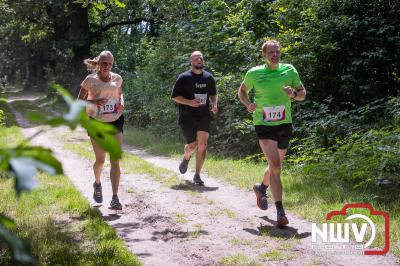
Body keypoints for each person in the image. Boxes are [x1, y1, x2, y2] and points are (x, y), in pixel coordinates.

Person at [238, 40, 306, 226]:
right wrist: (248, 104)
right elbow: (242, 91)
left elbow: (302, 94)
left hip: (284, 123)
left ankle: (261, 188)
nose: (275, 54)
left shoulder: (289, 70)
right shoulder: (254, 73)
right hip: (264, 123)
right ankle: (280, 212)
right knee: (275, 165)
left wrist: (293, 94)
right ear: (264, 55)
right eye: (271, 52)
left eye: (277, 51)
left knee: (275, 165)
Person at [78, 50, 125, 210]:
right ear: (98, 64)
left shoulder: (117, 78)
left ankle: (115, 198)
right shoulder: (90, 80)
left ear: (112, 64)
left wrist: (122, 104)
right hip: (96, 122)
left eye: (109, 63)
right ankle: (97, 183)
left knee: (115, 160)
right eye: (103, 63)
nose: (106, 66)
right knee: (100, 160)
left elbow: (120, 95)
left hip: (115, 120)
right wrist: (94, 101)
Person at [171, 51, 218, 186]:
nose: (199, 59)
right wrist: (190, 102)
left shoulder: (209, 78)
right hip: (187, 116)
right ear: (191, 61)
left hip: (203, 115)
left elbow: (213, 94)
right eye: (196, 58)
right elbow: (175, 96)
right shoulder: (184, 77)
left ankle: (197, 175)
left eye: (201, 57)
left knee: (202, 144)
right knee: (192, 145)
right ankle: (186, 157)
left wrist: (214, 104)